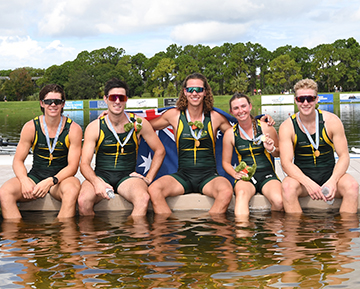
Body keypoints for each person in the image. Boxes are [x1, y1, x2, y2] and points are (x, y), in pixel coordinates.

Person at [148, 73, 234, 215]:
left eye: (199, 90)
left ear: (205, 92)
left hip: (209, 176)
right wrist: (117, 117)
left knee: (226, 192)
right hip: (183, 176)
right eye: (190, 89)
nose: (194, 93)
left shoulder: (215, 117)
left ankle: (209, 228)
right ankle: (172, 227)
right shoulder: (174, 115)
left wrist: (261, 122)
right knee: (154, 189)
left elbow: (240, 132)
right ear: (185, 92)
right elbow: (146, 126)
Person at [78, 78, 165, 217]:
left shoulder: (139, 123)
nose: (117, 101)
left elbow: (160, 150)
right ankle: (94, 236)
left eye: (121, 97)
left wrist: (148, 178)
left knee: (143, 199)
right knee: (83, 201)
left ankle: (133, 235)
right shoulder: (95, 127)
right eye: (113, 97)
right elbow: (84, 164)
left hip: (127, 177)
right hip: (101, 176)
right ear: (105, 99)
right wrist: (96, 182)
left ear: (126, 100)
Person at [0, 84, 82, 219]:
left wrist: (51, 181)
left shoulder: (73, 129)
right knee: (5, 192)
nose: (53, 105)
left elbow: (72, 167)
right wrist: (24, 179)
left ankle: (64, 235)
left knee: (72, 190)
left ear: (63, 104)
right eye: (48, 101)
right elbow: (18, 160)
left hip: (61, 180)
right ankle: (17, 235)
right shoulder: (30, 127)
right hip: (35, 178)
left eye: (57, 101)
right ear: (42, 103)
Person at [279, 78, 359, 214]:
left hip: (330, 175)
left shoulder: (332, 121)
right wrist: (308, 183)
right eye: (301, 99)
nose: (305, 103)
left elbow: (344, 156)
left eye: (310, 98)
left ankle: (344, 232)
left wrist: (333, 181)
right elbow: (286, 163)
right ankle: (299, 232)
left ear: (316, 100)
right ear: (295, 100)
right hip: (302, 180)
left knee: (352, 186)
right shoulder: (287, 126)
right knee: (287, 186)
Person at [222, 93, 283, 216]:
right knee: (242, 196)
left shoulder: (266, 128)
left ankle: (269, 232)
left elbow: (278, 153)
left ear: (250, 106)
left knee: (279, 201)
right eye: (236, 108)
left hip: (267, 174)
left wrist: (271, 149)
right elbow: (225, 162)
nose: (241, 111)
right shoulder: (230, 134)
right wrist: (235, 174)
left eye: (243, 106)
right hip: (246, 176)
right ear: (231, 111)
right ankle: (243, 232)